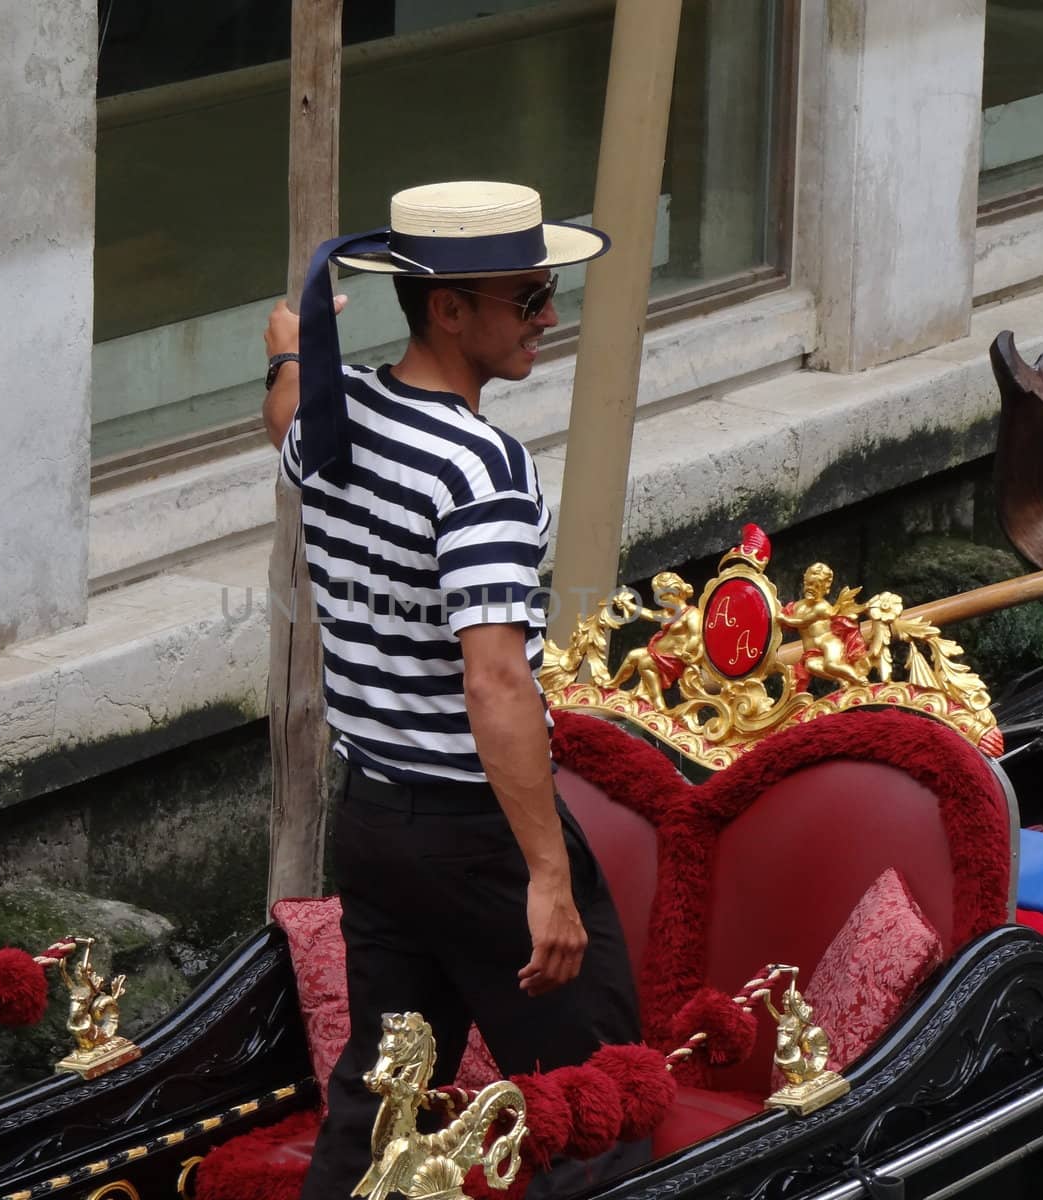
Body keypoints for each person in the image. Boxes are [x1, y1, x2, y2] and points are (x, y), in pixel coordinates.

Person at [261, 181, 644, 1197]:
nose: (547, 316)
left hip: (376, 825)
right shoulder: (481, 470)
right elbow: (498, 682)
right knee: (596, 1101)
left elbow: (285, 420)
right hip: (473, 838)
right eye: (527, 297)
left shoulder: (340, 428)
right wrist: (548, 877)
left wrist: (292, 348)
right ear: (448, 308)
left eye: (545, 291)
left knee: (381, 1097)